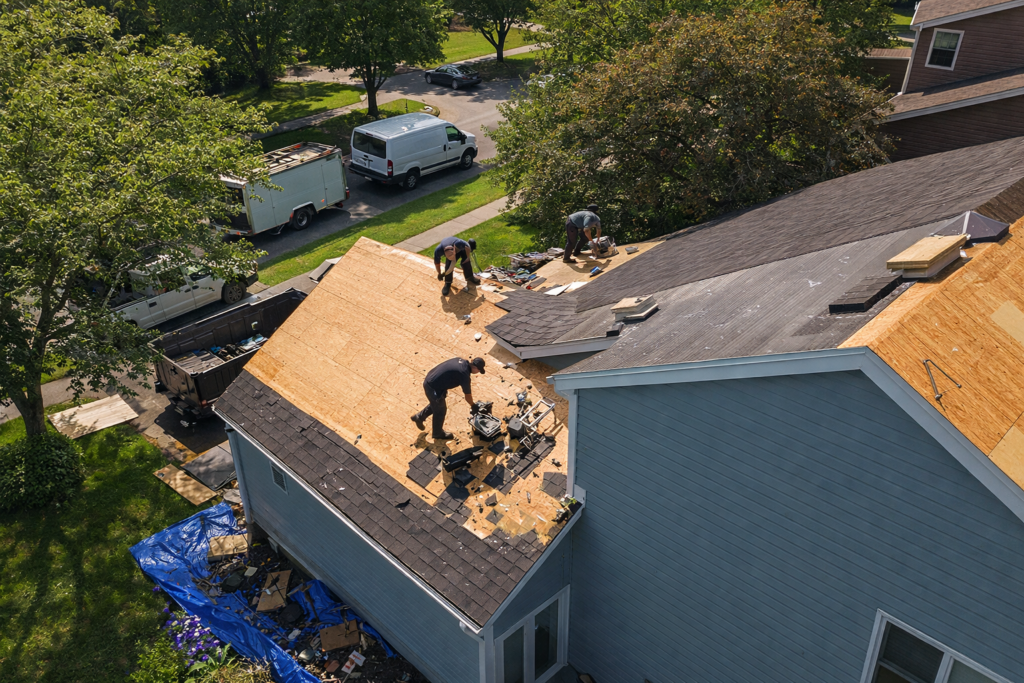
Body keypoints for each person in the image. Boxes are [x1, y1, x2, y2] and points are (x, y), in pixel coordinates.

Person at [411, 357, 486, 439]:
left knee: (437, 404)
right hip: (433, 387)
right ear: (475, 368)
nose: (478, 372)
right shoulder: (464, 375)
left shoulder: (461, 360)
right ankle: (437, 433)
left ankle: (419, 417)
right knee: (440, 410)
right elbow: (467, 396)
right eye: (479, 370)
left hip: (432, 379)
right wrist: (473, 405)